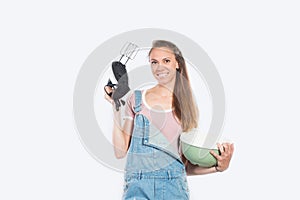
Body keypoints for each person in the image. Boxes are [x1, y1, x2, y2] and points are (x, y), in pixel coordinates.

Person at [104, 40, 234, 200]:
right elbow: (120, 152)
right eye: (154, 62)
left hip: (174, 190)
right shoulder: (136, 99)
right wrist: (116, 106)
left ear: (177, 64)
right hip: (137, 187)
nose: (159, 67)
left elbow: (185, 165)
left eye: (166, 60)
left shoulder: (187, 106)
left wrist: (219, 167)